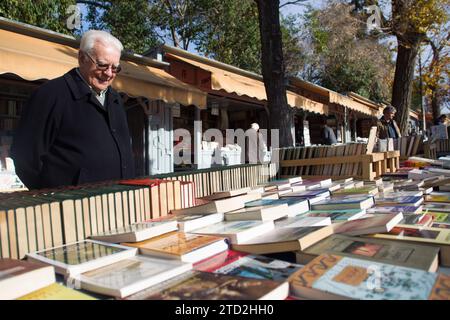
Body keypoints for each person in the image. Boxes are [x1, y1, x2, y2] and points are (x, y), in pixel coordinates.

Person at [11, 30, 135, 190]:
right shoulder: (50, 95)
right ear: (82, 58)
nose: (109, 73)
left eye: (115, 68)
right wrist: (52, 197)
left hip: (119, 201)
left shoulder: (116, 99)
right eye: (102, 65)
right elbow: (25, 157)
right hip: (72, 207)